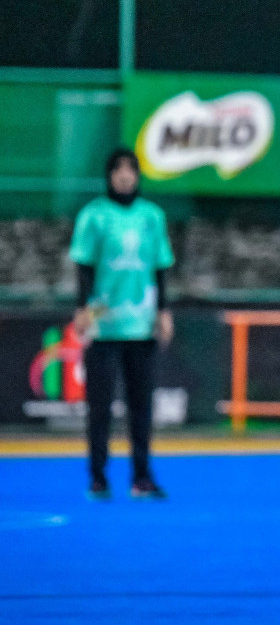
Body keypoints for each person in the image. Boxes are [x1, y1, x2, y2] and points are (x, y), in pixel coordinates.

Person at [69, 148, 175, 501]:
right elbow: (83, 266)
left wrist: (163, 311)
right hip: (103, 326)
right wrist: (82, 308)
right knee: (99, 407)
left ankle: (141, 477)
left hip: (141, 325)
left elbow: (161, 267)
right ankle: (98, 477)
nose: (125, 175)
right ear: (109, 175)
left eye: (131, 169)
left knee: (141, 407)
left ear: (138, 175)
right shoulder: (94, 216)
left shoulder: (152, 217)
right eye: (119, 169)